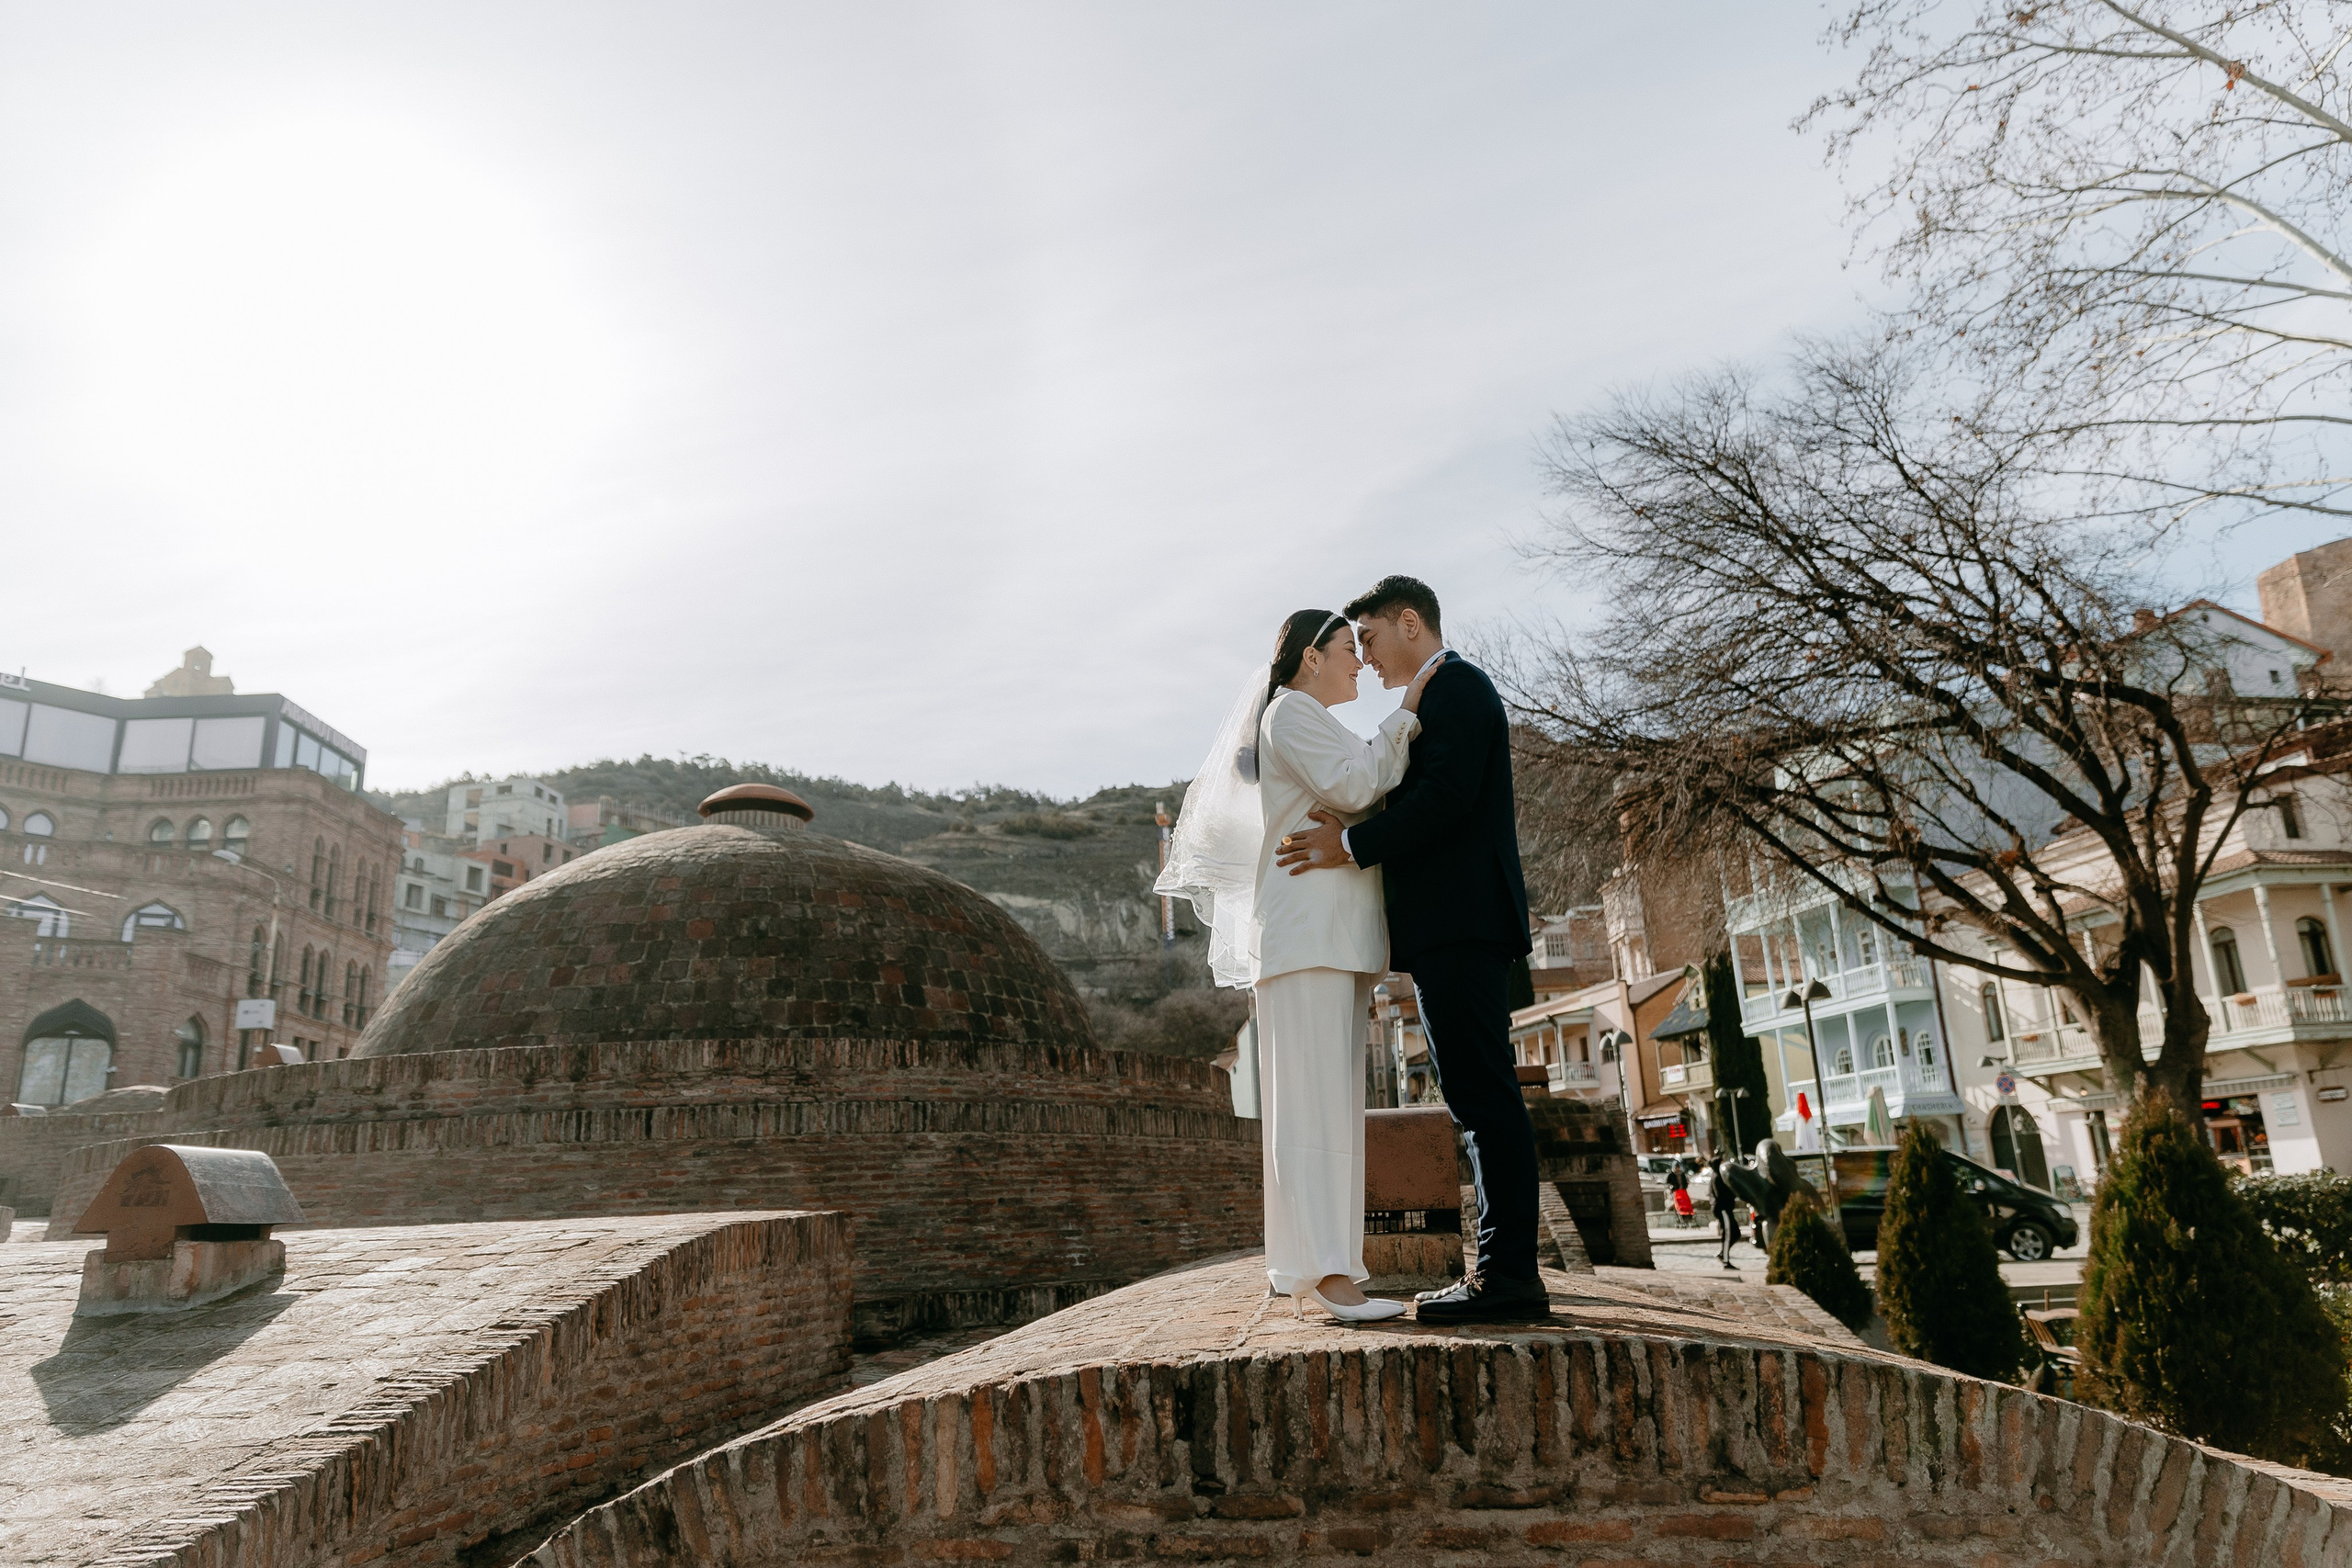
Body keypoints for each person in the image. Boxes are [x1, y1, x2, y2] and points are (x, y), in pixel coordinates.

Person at [1273, 576, 1545, 1325]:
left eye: (1369, 638)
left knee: (1483, 1099)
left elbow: (1444, 800)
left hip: (1461, 924)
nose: (1365, 656)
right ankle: (1504, 1270)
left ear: (1410, 623)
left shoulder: (1457, 688)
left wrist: (1352, 843)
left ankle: (1507, 1276)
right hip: (1448, 929)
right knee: (1475, 1097)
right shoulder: (1438, 696)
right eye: (1354, 644)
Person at [1154, 608, 1435, 1324]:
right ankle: (1319, 1272)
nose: (1357, 663)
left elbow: (1360, 784)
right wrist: (1408, 710)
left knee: (1330, 1111)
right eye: (1346, 649)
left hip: (1328, 941)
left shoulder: (1311, 719)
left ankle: (1332, 1267)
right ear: (1311, 657)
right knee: (1310, 1112)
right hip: (1307, 939)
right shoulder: (1291, 713)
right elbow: (1357, 783)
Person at [1704, 1156, 1743, 1269]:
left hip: (1726, 1208)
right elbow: (1720, 1195)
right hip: (1722, 1209)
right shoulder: (1717, 1177)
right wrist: (1733, 1193)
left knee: (1736, 1233)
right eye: (1722, 1162)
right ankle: (1725, 1260)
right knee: (1728, 1234)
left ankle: (1722, 1254)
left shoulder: (1719, 1175)